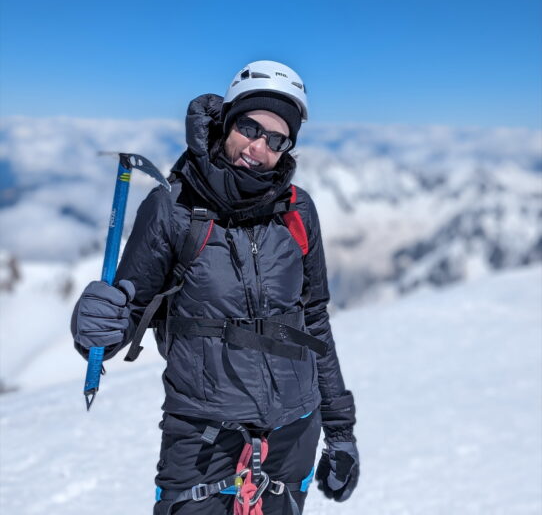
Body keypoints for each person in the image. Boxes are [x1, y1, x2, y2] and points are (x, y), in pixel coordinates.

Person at [72, 60, 359, 514]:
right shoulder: (173, 209)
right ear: (227, 120)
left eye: (276, 138)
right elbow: (125, 315)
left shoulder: (297, 211)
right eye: (249, 126)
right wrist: (96, 326)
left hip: (293, 434)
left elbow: (314, 322)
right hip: (203, 440)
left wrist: (340, 432)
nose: (258, 146)